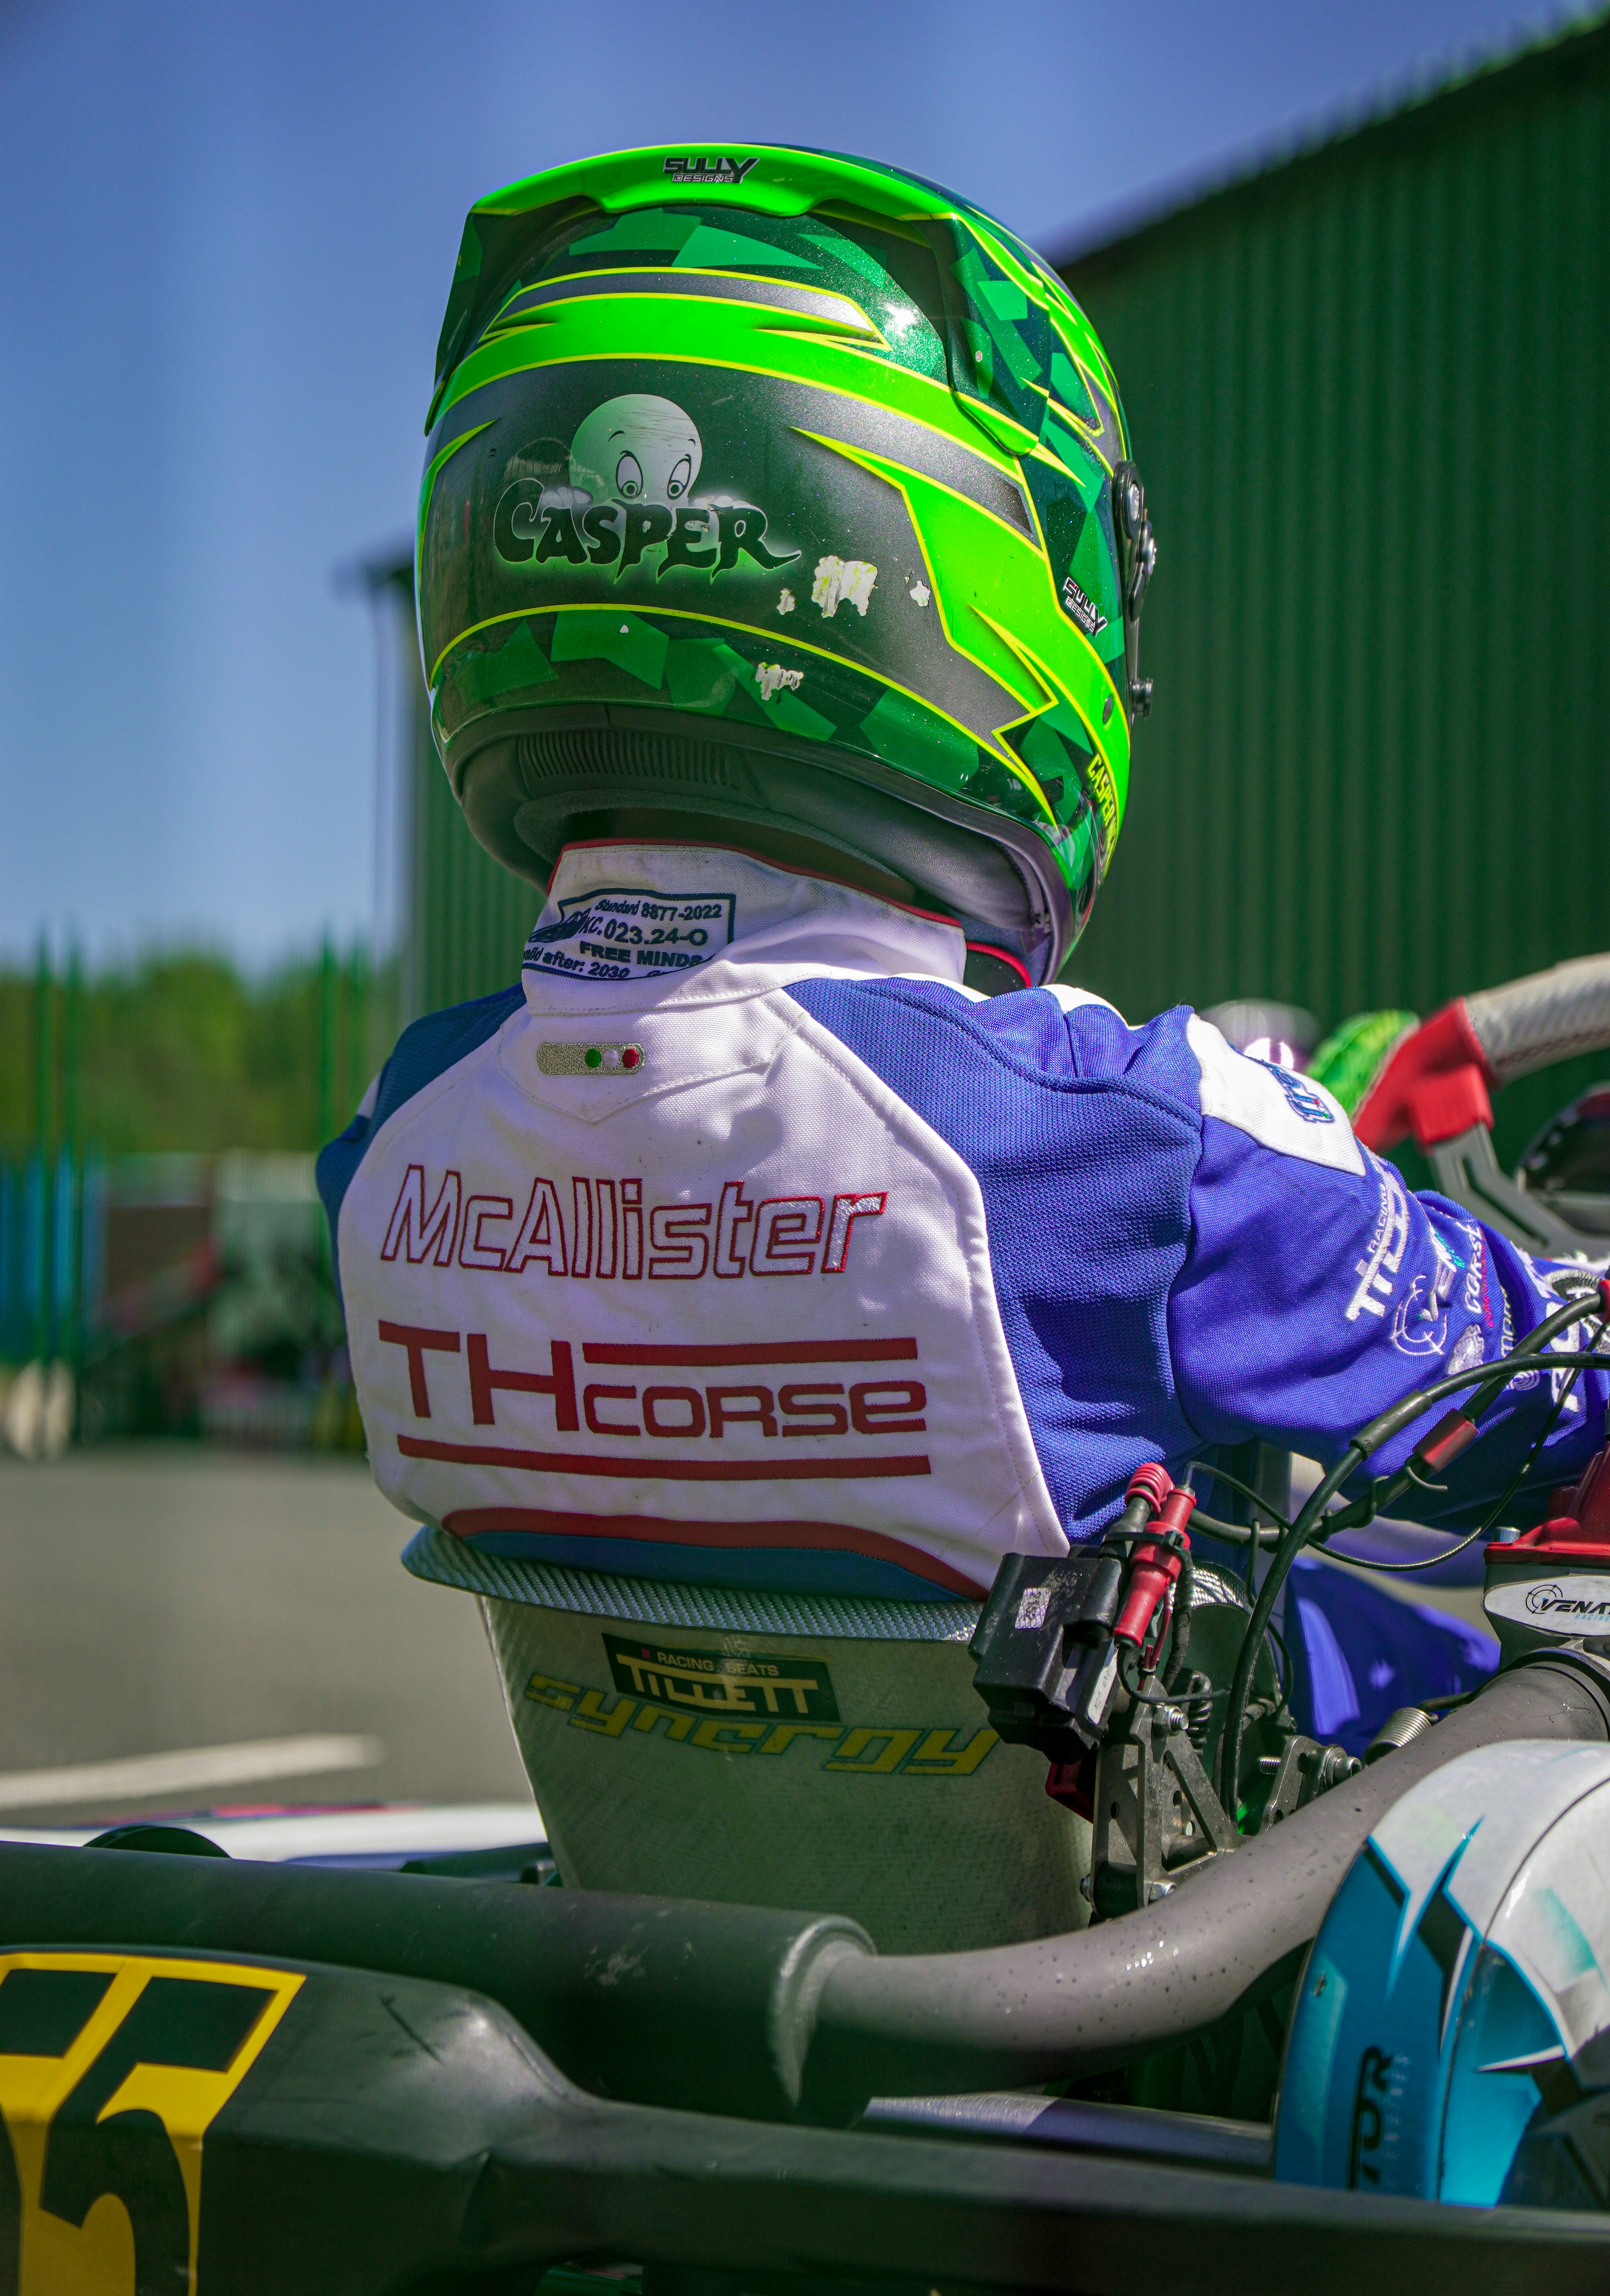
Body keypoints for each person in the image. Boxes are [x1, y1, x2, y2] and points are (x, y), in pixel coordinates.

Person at [318, 145, 1604, 1945]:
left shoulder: (395, 1135)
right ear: (953, 576)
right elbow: (1540, 1392)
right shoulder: (1136, 1137)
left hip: (670, 1947)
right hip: (1126, 1999)